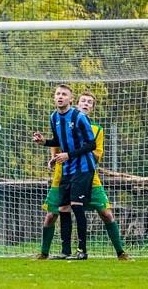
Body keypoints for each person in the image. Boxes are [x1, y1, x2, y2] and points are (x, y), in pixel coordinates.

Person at [39, 91, 128, 260]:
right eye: (83, 101)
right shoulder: (61, 120)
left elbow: (95, 154)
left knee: (106, 213)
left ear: (92, 108)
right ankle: (45, 253)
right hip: (62, 176)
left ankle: (120, 252)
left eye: (90, 102)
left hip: (88, 176)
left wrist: (73, 154)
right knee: (52, 215)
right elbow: (58, 145)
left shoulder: (96, 129)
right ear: (76, 104)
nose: (86, 104)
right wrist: (52, 158)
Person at [33, 84, 96, 260]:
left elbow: (92, 145)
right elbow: (57, 140)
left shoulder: (79, 117)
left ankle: (82, 250)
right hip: (67, 169)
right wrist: (44, 141)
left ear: (70, 99)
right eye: (57, 94)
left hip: (84, 168)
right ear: (54, 97)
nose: (60, 97)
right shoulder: (54, 117)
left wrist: (69, 155)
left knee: (77, 205)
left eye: (64, 94)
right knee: (63, 208)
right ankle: (65, 251)